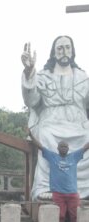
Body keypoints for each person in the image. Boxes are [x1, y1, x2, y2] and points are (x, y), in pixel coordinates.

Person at [21, 36, 89, 200]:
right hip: (51, 121)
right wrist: (30, 72)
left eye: (67, 47)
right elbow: (31, 100)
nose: (64, 51)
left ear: (72, 51)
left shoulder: (83, 77)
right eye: (60, 48)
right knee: (46, 136)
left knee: (87, 136)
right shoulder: (43, 76)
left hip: (77, 122)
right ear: (54, 52)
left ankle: (84, 190)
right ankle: (47, 187)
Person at [28, 129, 89, 222]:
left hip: (72, 193)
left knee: (75, 216)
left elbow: (85, 147)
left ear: (68, 148)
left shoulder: (74, 156)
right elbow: (40, 146)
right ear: (58, 148)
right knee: (60, 216)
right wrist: (31, 136)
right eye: (62, 146)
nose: (64, 148)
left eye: (65, 146)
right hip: (58, 193)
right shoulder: (52, 156)